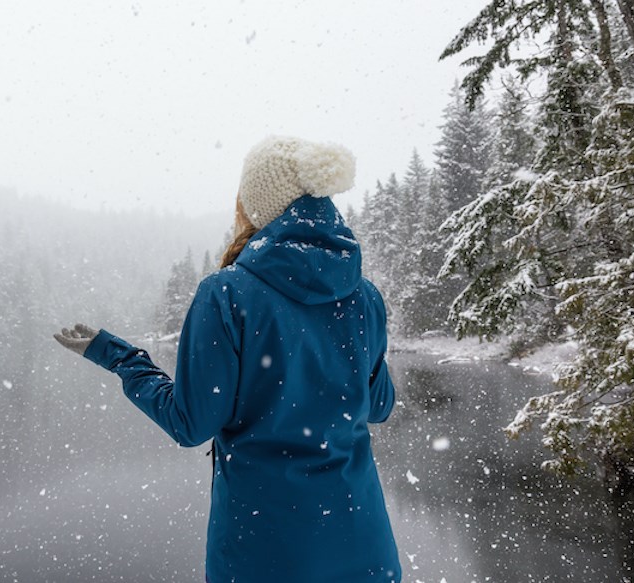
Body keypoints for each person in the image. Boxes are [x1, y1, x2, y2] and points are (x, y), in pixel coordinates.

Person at [54, 135, 401, 582]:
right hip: (364, 545)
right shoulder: (364, 295)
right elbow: (379, 406)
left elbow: (190, 423)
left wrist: (121, 359)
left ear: (260, 203)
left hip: (266, 553)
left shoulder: (226, 294)